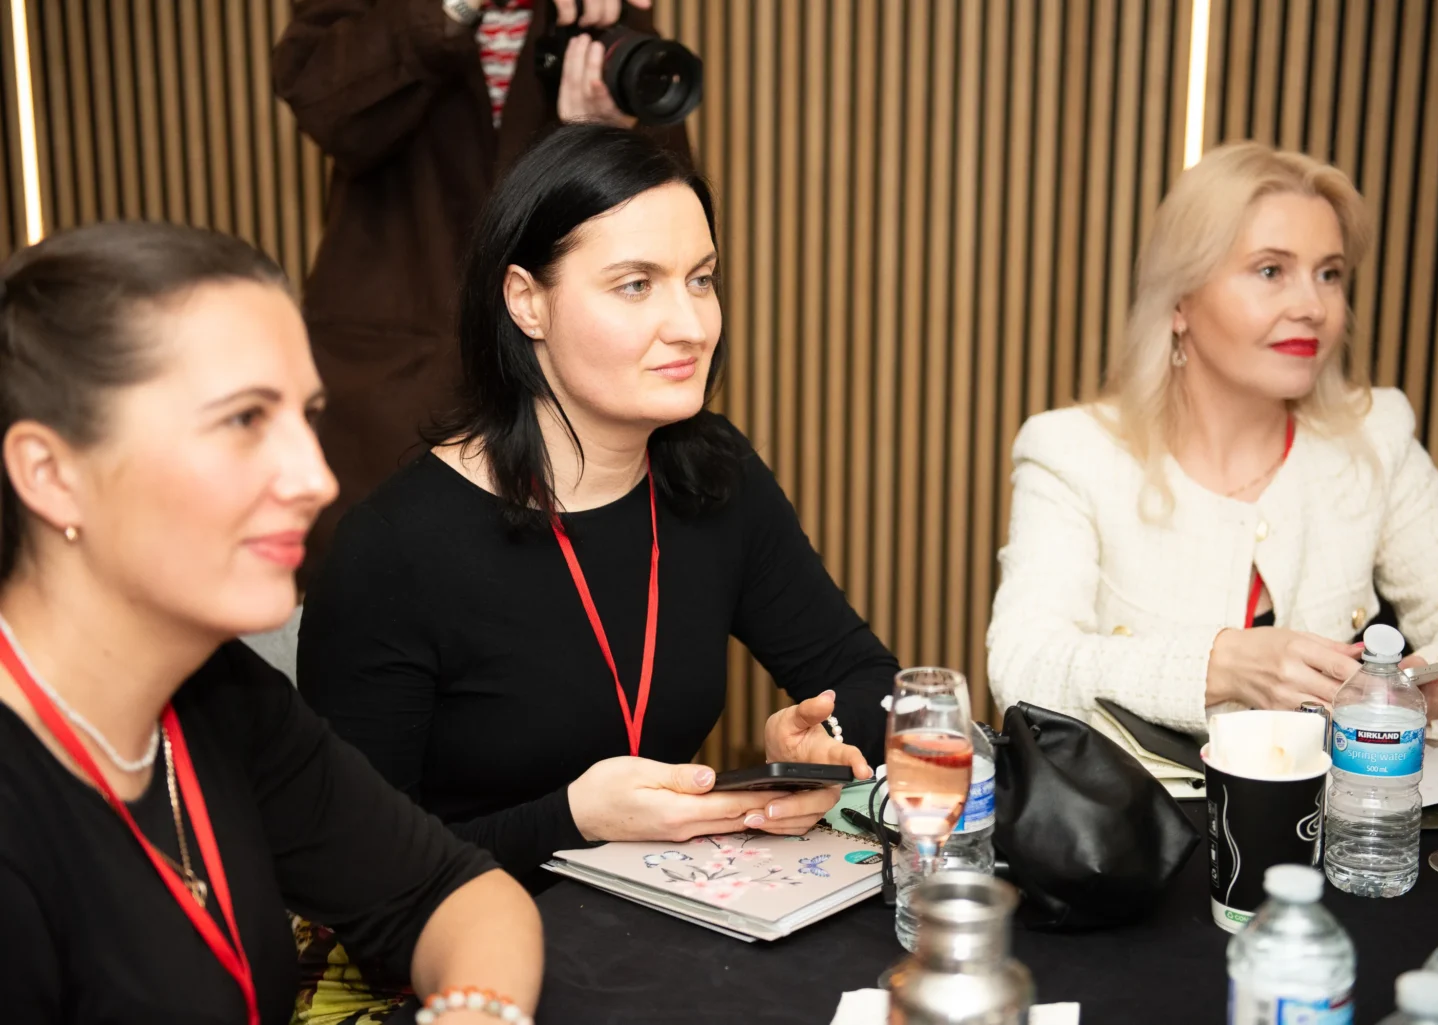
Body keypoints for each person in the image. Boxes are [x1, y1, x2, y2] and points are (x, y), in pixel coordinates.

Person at [296, 124, 894, 889]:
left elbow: (865, 674)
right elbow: (352, 871)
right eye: (636, 285)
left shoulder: (713, 473)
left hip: (665, 913)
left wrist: (821, 739)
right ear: (526, 302)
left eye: (701, 279)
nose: (693, 326)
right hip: (466, 941)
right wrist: (574, 816)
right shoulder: (395, 550)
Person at [0, 222, 543, 1025]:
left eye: (306, 415)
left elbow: (451, 891)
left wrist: (478, 1011)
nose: (316, 478)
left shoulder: (217, 693)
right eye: (244, 419)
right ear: (51, 474)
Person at [986, 141, 1438, 749]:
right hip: (1140, 810)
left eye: (1329, 274)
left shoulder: (1375, 435)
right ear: (1180, 301)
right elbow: (1023, 663)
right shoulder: (1072, 451)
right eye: (1271, 271)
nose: (1313, 306)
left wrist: (1426, 681)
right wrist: (1219, 666)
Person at [273, 0, 690, 580]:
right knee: (378, 586)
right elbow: (326, 104)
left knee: (557, 597)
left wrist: (602, 141)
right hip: (394, 374)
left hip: (563, 385)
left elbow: (670, 214)